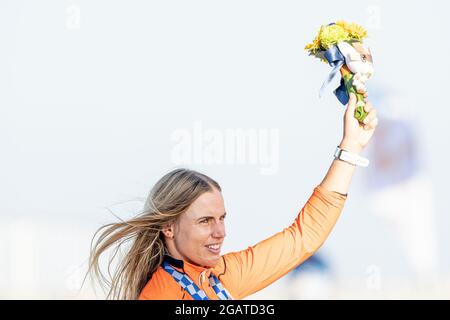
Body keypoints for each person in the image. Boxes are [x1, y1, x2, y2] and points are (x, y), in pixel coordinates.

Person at [87, 92, 378, 300]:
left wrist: (350, 148)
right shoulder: (158, 295)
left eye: (222, 218)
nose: (220, 232)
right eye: (205, 221)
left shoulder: (224, 274)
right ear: (168, 227)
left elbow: (303, 238)